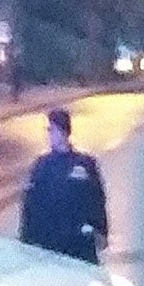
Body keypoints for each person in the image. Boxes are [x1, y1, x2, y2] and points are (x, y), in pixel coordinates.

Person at [20, 107, 110, 263]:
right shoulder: (42, 165)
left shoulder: (84, 164)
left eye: (51, 130)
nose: (49, 135)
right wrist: (26, 238)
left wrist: (101, 231)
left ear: (63, 131)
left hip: (79, 241)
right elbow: (30, 203)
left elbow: (97, 199)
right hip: (49, 242)